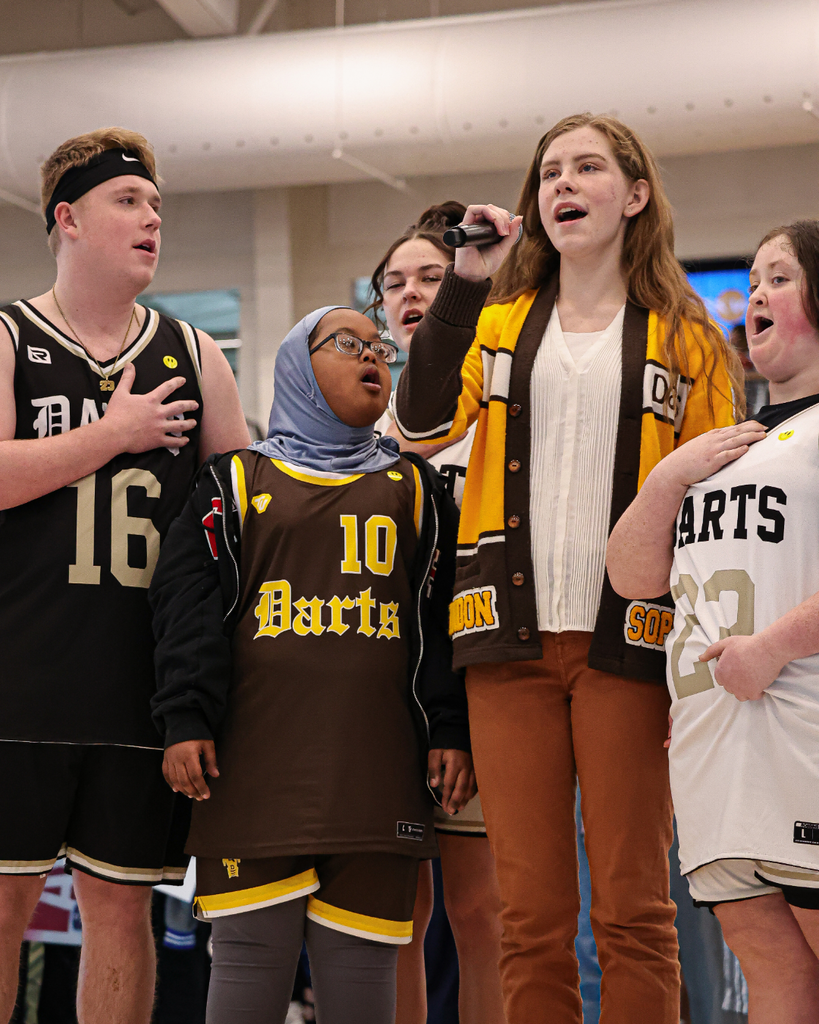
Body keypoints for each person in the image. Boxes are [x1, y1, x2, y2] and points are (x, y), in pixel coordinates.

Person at [392, 112, 742, 1024]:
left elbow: (717, 510)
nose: (563, 184)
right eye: (550, 171)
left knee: (634, 909)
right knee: (529, 916)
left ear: (634, 196)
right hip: (503, 647)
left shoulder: (689, 336)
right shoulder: (495, 321)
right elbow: (420, 422)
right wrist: (464, 280)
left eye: (587, 167)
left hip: (632, 645)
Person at [149, 305, 476, 1024]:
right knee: (248, 967)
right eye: (347, 343)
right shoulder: (232, 481)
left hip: (378, 775)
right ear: (298, 366)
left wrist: (450, 728)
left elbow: (442, 623)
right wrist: (184, 718)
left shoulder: (419, 490)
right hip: (249, 772)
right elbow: (186, 609)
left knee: (363, 980)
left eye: (379, 346)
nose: (372, 355)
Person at [0, 127, 250, 1024]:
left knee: (120, 911)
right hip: (20, 680)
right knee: (3, 910)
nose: (152, 219)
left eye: (156, 206)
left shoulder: (196, 351)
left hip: (142, 688)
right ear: (68, 218)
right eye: (129, 201)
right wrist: (113, 434)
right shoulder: (8, 335)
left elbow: (243, 516)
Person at [606, 220, 819, 1024]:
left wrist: (770, 648)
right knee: (772, 975)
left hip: (800, 737)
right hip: (714, 756)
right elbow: (632, 578)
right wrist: (665, 480)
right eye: (752, 280)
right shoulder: (724, 445)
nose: (753, 295)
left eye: (778, 278)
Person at [370, 201, 506, 1024]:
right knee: (399, 918)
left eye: (430, 276)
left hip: (482, 678)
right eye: (395, 283)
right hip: (386, 695)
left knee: (482, 912)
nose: (412, 293)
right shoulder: (363, 426)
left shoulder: (494, 411)